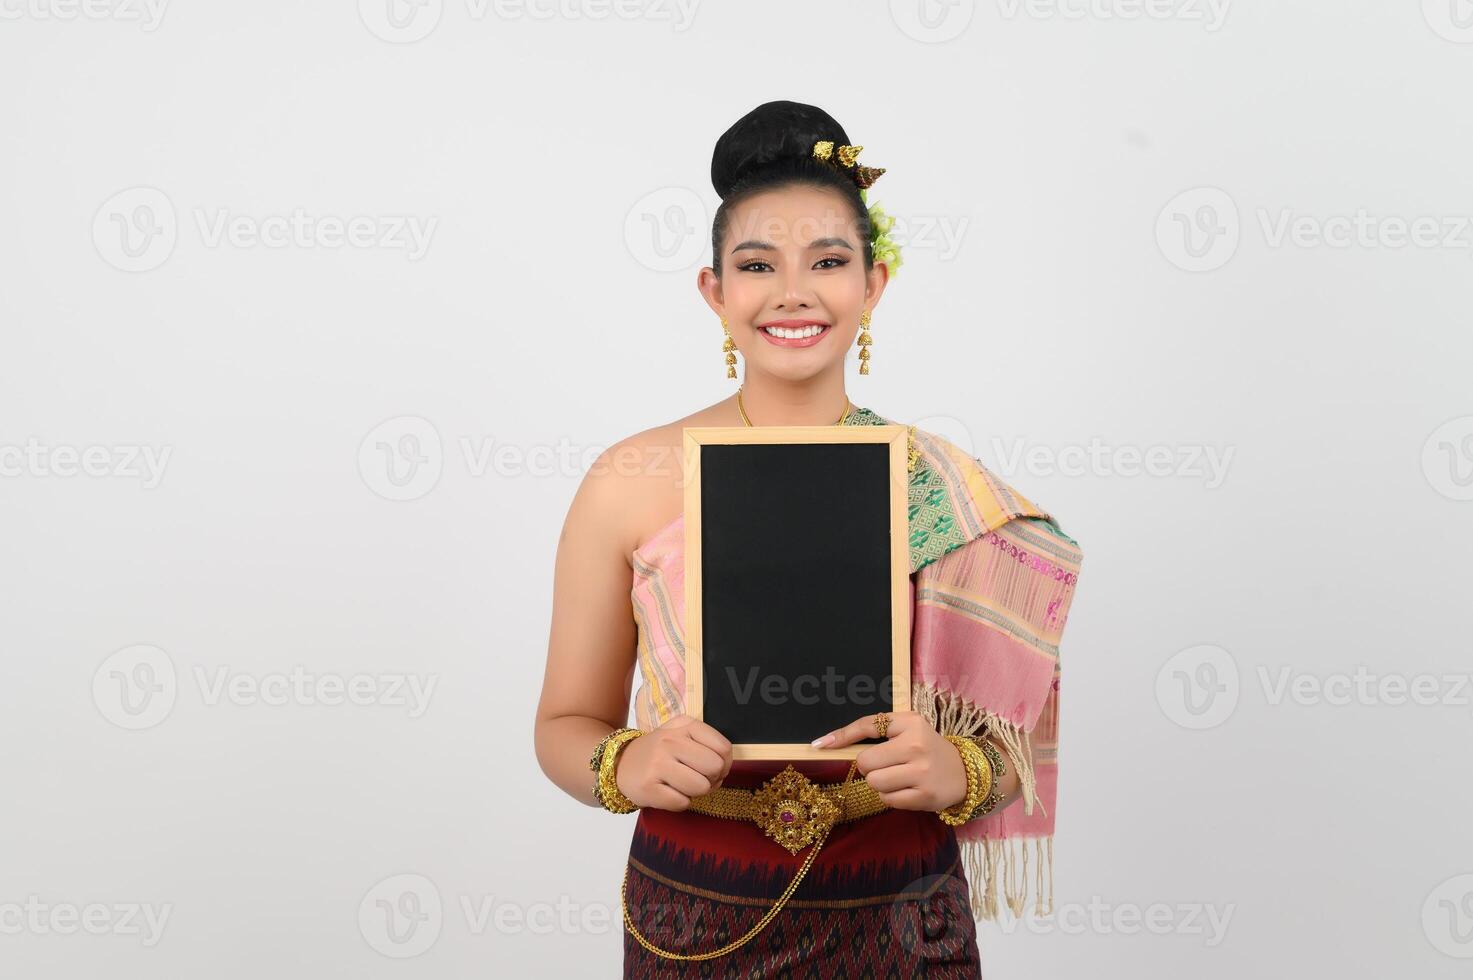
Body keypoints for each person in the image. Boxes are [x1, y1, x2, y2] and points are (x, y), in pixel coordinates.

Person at [533, 100, 1085, 978]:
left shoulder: (937, 485)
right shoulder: (627, 481)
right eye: (758, 265)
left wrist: (962, 772)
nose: (793, 292)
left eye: (827, 262)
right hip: (696, 908)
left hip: (907, 909)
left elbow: (1009, 734)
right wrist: (627, 764)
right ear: (714, 290)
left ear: (873, 285)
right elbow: (563, 725)